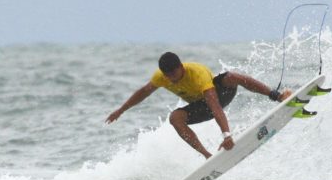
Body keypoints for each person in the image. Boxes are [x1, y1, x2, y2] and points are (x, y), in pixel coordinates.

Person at [105, 52, 291, 159]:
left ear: (181, 67)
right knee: (175, 118)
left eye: (173, 73)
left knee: (231, 76)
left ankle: (277, 95)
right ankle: (207, 156)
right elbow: (143, 92)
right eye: (166, 75)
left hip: (220, 95)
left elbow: (215, 106)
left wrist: (226, 134)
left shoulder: (197, 74)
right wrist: (121, 110)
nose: (170, 78)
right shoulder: (161, 77)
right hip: (201, 108)